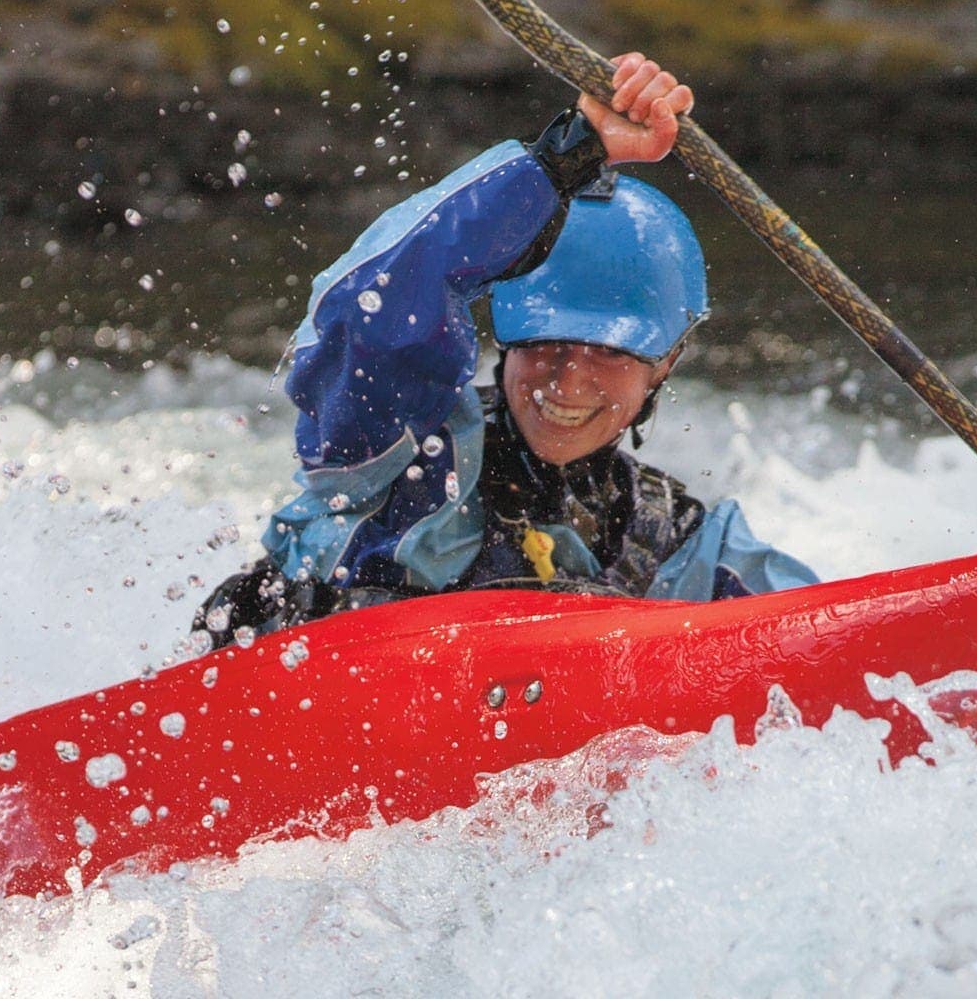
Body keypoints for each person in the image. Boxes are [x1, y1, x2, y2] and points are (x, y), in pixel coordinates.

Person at [195, 54, 817, 648]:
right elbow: (373, 308)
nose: (567, 381)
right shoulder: (400, 453)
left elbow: (827, 636)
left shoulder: (677, 544)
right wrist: (565, 158)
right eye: (545, 343)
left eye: (608, 354)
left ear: (666, 363)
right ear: (509, 337)